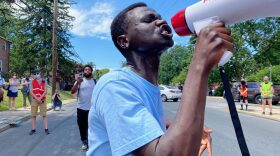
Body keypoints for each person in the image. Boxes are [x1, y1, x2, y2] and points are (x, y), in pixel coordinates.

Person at [87, 2, 233, 156]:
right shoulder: (114, 84)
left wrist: (190, 128)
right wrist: (200, 63)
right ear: (124, 41)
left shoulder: (148, 85)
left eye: (160, 18)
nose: (162, 22)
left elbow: (144, 122)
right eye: (149, 20)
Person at [71, 65, 96, 150]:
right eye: (85, 69)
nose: (87, 71)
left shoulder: (95, 81)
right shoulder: (80, 81)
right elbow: (72, 91)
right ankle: (84, 141)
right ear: (83, 71)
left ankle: (91, 141)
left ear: (91, 71)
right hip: (81, 108)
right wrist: (77, 82)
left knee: (91, 126)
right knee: (82, 126)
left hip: (92, 109)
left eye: (89, 69)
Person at [29, 70, 49, 135]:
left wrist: (40, 98)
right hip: (35, 99)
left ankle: (46, 129)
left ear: (40, 73)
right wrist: (37, 98)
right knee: (33, 115)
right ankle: (33, 129)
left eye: (37, 73)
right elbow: (31, 91)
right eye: (34, 74)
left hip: (42, 99)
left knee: (44, 115)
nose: (36, 75)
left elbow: (45, 91)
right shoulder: (32, 81)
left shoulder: (44, 81)